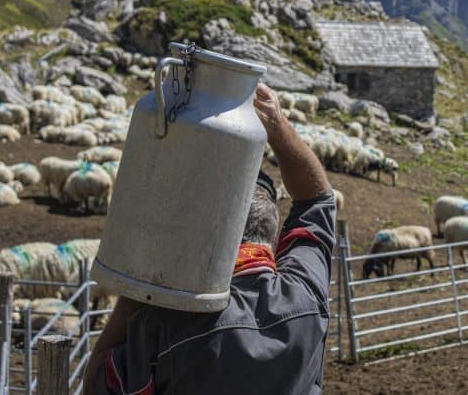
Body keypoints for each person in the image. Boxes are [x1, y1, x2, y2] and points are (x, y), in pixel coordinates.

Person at [84, 83, 336, 395]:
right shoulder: (305, 295)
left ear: (201, 234)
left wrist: (145, 279)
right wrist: (276, 125)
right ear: (270, 230)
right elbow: (317, 199)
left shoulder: (163, 326)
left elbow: (99, 383)